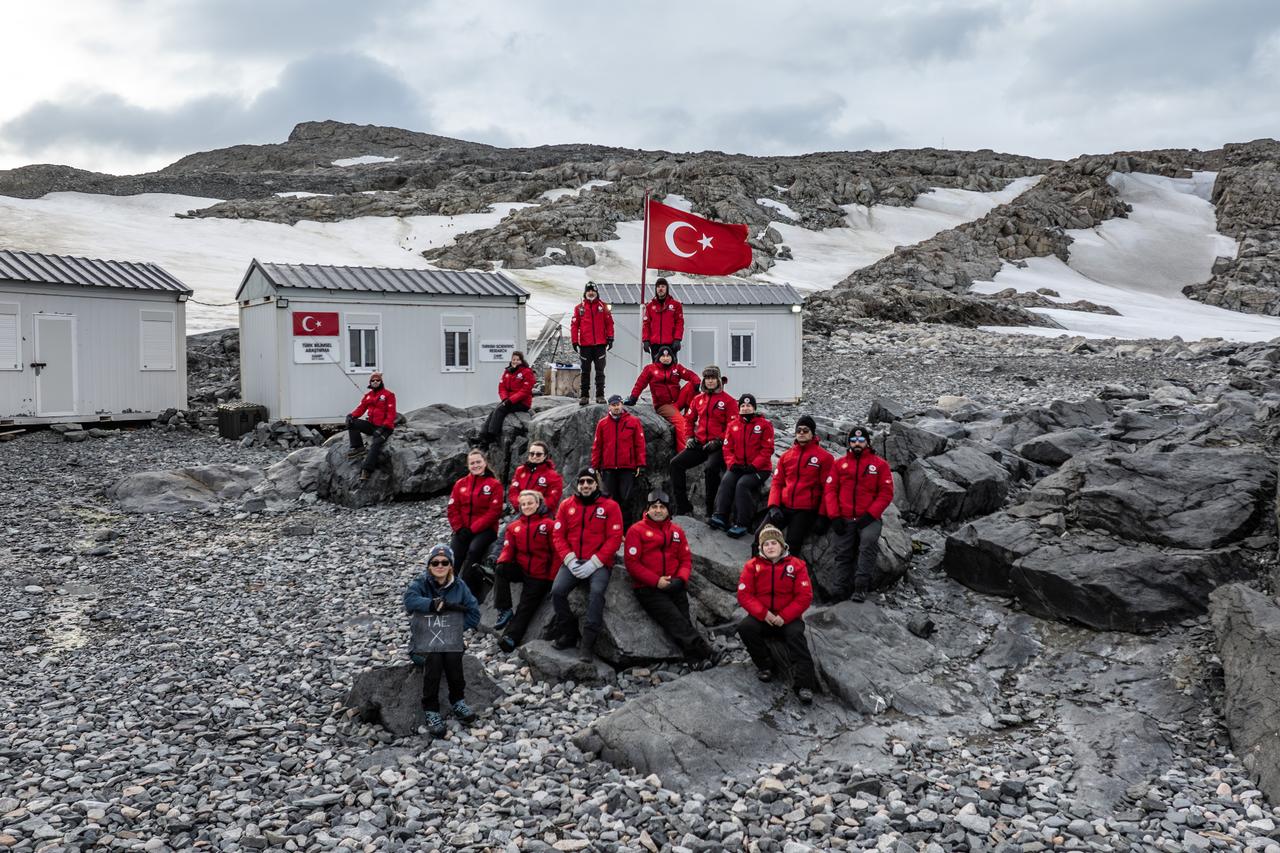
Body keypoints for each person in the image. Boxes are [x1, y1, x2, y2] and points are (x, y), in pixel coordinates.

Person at [624, 490, 722, 670]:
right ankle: (707, 652)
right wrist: (656, 581)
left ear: (668, 510)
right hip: (648, 588)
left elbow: (685, 559)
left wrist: (681, 579)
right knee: (675, 619)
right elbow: (632, 563)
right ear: (648, 509)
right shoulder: (636, 531)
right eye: (654, 507)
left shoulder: (677, 531)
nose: (658, 510)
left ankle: (693, 660)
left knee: (683, 619)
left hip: (675, 584)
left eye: (662, 507)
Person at [403, 543, 482, 736]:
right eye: (435, 562)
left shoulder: (460, 586)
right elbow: (409, 600)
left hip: (449, 642)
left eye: (444, 562)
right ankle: (431, 709)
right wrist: (431, 604)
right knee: (435, 658)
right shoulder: (420, 583)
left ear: (451, 565)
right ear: (429, 566)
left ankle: (458, 701)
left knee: (453, 657)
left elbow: (474, 613)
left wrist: (454, 627)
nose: (440, 565)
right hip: (422, 646)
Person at [736, 526, 819, 705]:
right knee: (745, 627)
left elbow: (804, 596)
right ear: (761, 547)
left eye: (774, 543)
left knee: (796, 636)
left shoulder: (796, 565)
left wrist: (785, 616)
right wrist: (763, 613)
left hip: (788, 618)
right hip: (763, 617)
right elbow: (744, 594)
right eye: (766, 544)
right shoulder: (752, 566)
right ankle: (765, 666)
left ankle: (804, 684)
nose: (770, 547)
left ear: (782, 546)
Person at [550, 467, 624, 660]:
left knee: (597, 593)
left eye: (589, 482)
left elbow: (615, 538)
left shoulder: (610, 506)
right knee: (557, 592)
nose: (585, 485)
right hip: (572, 561)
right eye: (582, 481)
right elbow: (558, 534)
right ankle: (569, 632)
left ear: (596, 483)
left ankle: (588, 643)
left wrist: (595, 562)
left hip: (598, 563)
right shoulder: (566, 505)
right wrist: (569, 559)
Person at [823, 426, 895, 603]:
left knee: (868, 544)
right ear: (849, 443)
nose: (857, 443)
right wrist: (834, 516)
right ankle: (839, 591)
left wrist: (871, 515)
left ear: (867, 443)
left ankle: (861, 588)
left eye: (861, 441)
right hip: (844, 517)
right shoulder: (839, 464)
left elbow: (886, 493)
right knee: (842, 552)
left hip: (868, 518)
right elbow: (830, 490)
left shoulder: (879, 465)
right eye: (854, 441)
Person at [759, 415, 834, 563]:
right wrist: (773, 506)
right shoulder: (786, 456)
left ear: (813, 433)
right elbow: (777, 482)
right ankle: (758, 572)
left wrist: (823, 516)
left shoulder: (825, 458)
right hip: (783, 507)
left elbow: (828, 489)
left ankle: (786, 580)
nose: (801, 433)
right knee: (760, 536)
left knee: (792, 545)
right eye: (798, 430)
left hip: (805, 509)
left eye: (805, 430)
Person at [668, 365, 738, 517]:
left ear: (719, 380)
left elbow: (733, 427)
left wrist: (719, 440)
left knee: (711, 469)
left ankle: (710, 510)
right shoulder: (698, 399)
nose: (710, 381)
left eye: (713, 378)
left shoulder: (729, 401)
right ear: (704, 381)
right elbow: (689, 419)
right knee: (675, 464)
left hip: (718, 446)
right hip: (700, 444)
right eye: (707, 378)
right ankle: (683, 506)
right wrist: (689, 438)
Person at [493, 490, 558, 652]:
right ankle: (504, 609)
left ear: (538, 504)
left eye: (530, 503)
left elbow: (557, 554)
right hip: (521, 569)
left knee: (525, 607)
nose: (527, 506)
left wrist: (551, 578)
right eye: (523, 504)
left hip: (539, 575)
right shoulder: (514, 527)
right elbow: (508, 549)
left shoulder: (549, 525)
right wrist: (502, 561)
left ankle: (510, 638)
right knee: (501, 568)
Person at [710, 393, 775, 538]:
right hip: (739, 466)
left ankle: (742, 523)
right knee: (727, 480)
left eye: (749, 405)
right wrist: (731, 464)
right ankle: (721, 515)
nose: (745, 408)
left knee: (742, 484)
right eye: (743, 406)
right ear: (739, 408)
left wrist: (754, 466)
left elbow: (767, 449)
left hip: (759, 469)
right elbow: (727, 448)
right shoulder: (733, 425)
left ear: (754, 408)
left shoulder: (764, 425)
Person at [448, 449, 504, 602]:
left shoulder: (494, 485)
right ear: (468, 466)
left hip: (486, 530)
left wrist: (472, 529)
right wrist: (459, 528)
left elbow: (494, 513)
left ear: (485, 463)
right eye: (472, 463)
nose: (476, 465)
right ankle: (446, 590)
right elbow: (453, 509)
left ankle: (467, 593)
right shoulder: (460, 484)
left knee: (473, 552)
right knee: (453, 556)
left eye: (478, 462)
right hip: (463, 530)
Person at [624, 345, 699, 448]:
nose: (666, 358)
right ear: (658, 357)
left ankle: (689, 416)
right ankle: (684, 454)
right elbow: (640, 383)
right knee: (681, 423)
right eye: (663, 356)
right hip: (664, 405)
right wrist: (633, 398)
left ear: (672, 357)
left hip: (677, 401)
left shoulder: (677, 368)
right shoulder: (650, 369)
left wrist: (697, 383)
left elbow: (691, 375)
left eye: (668, 356)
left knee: (692, 384)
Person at [592, 395, 646, 528]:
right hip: (608, 467)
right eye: (613, 405)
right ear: (609, 406)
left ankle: (626, 530)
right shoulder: (602, 423)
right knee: (609, 500)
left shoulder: (634, 422)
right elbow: (597, 445)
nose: (616, 407)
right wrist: (595, 465)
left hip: (627, 467)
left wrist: (641, 464)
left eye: (618, 404)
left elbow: (640, 444)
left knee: (627, 499)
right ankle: (610, 528)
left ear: (622, 405)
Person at [346, 371, 397, 482]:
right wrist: (351, 415)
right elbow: (361, 409)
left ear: (381, 382)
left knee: (376, 442)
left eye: (377, 380)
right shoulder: (368, 396)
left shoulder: (388, 395)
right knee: (352, 422)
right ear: (370, 382)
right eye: (373, 380)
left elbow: (391, 414)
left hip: (385, 428)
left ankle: (367, 470)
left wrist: (383, 427)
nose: (375, 382)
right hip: (372, 425)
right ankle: (358, 447)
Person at [570, 283, 614, 406]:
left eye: (593, 291)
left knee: (600, 371)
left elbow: (609, 323)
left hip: (600, 344)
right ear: (585, 293)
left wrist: (610, 338)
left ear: (596, 292)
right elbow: (574, 325)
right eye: (588, 291)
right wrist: (574, 341)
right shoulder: (579, 308)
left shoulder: (603, 306)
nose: (591, 293)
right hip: (585, 345)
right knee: (585, 371)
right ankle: (584, 396)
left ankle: (600, 395)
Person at [480, 351, 535, 445]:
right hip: (509, 400)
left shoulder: (527, 372)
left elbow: (525, 391)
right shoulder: (507, 371)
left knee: (500, 409)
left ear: (521, 361)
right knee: (495, 410)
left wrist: (510, 400)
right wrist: (505, 399)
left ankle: (491, 435)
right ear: (511, 360)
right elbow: (502, 387)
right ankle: (482, 435)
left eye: (518, 360)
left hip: (522, 403)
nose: (515, 361)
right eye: (514, 359)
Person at [507, 440, 564, 510]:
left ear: (545, 456)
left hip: (542, 514)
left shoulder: (554, 476)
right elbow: (513, 492)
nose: (534, 456)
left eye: (538, 454)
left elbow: (553, 500)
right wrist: (521, 505)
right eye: (532, 454)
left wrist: (533, 507)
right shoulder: (520, 470)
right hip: (520, 510)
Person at [642, 278, 684, 362]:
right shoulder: (650, 306)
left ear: (667, 288)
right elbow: (646, 324)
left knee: (672, 370)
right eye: (658, 287)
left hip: (671, 343)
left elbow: (679, 323)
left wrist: (677, 339)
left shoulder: (676, 305)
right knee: (656, 369)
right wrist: (646, 340)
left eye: (663, 286)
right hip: (655, 344)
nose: (660, 289)